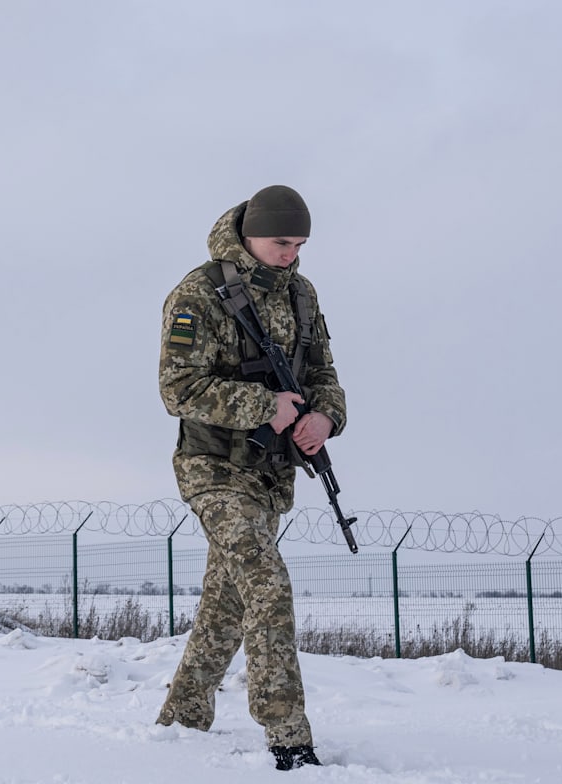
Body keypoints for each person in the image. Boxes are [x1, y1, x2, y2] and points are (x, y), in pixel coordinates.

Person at [154, 185, 347, 771]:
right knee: (266, 584)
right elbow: (178, 389)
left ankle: (181, 720)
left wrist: (324, 417)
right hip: (213, 468)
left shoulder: (301, 294)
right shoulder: (199, 293)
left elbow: (323, 373)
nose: (291, 254)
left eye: (300, 245)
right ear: (249, 235)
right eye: (281, 242)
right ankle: (288, 737)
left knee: (227, 603)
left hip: (270, 474)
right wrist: (265, 406)